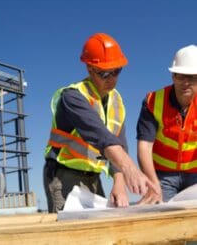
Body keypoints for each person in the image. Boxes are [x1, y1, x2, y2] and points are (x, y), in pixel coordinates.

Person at [43, 32, 155, 213]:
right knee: (71, 236)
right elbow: (101, 136)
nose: (111, 79)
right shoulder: (73, 97)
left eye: (116, 71)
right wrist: (130, 169)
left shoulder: (116, 101)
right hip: (63, 174)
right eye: (104, 73)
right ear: (89, 69)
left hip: (93, 176)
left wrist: (119, 183)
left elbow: (120, 144)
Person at [137, 45, 197, 203]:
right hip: (162, 175)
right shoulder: (153, 101)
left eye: (192, 77)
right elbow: (145, 146)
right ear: (173, 76)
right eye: (180, 76)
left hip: (195, 175)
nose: (186, 83)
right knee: (159, 214)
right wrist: (152, 183)